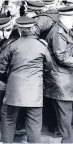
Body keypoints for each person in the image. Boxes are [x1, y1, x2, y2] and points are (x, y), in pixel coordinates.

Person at [0, 16, 52, 143]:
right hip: (34, 91)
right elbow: (49, 66)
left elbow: (0, 67)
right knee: (34, 124)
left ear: (19, 30)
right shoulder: (41, 46)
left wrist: (7, 79)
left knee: (9, 120)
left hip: (14, 89)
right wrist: (39, 76)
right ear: (32, 29)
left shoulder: (12, 45)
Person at [45, 6, 73, 143]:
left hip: (65, 77)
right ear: (66, 17)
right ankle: (67, 141)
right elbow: (61, 57)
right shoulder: (58, 32)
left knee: (64, 112)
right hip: (61, 79)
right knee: (65, 112)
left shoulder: (64, 30)